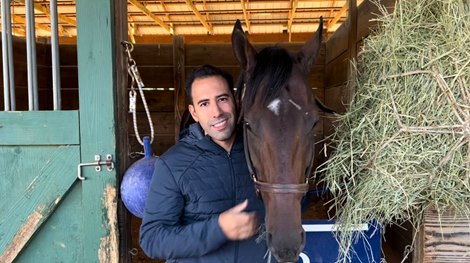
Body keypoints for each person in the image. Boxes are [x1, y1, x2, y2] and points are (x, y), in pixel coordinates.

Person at [140, 65, 271, 262]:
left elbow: (297, 203)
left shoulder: (264, 151)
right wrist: (217, 229)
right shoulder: (173, 164)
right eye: (204, 104)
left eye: (222, 99)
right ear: (193, 113)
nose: (216, 112)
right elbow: (152, 239)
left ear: (235, 101)